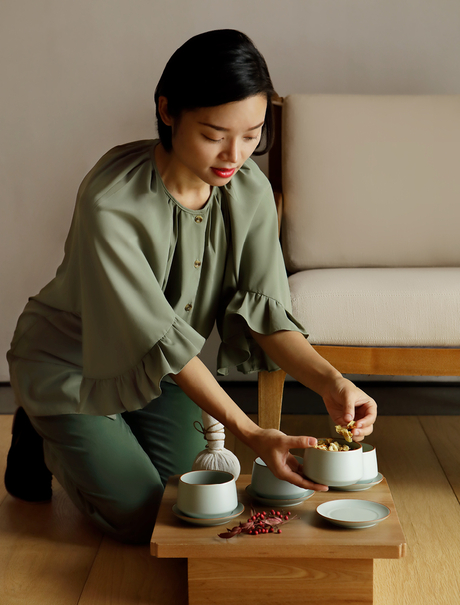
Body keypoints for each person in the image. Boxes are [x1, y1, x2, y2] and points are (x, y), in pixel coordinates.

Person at [4, 29, 377, 543]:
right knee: (145, 520)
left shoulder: (249, 193)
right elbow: (164, 341)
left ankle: (102, 437)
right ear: (167, 110)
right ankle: (41, 428)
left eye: (252, 135)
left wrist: (332, 382)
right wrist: (248, 432)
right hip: (70, 365)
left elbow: (267, 319)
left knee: (194, 504)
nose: (235, 154)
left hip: (157, 374)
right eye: (213, 133)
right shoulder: (111, 203)